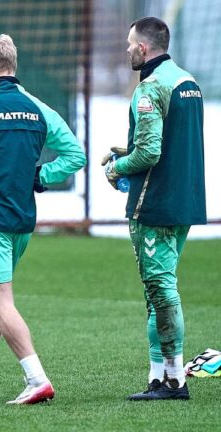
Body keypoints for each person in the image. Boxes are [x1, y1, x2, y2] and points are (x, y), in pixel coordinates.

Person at [0, 34, 86, 405]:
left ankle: (36, 378)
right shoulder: (38, 107)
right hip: (23, 220)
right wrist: (39, 178)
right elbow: (75, 155)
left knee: (1, 301)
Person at [102, 17, 206, 401]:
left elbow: (149, 151)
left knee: (161, 291)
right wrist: (127, 154)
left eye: (130, 43)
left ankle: (175, 381)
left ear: (143, 48)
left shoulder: (150, 87)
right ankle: (159, 377)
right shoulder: (188, 80)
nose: (127, 49)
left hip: (155, 205)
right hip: (185, 202)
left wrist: (116, 168)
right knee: (156, 291)